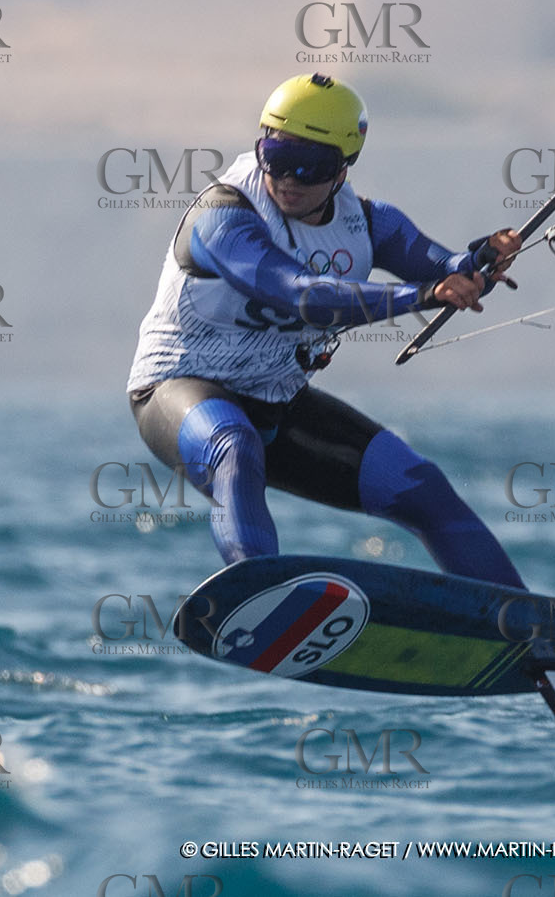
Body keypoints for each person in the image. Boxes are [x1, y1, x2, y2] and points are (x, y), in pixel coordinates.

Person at [127, 72, 526, 589]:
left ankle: (521, 627)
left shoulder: (372, 222)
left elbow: (444, 268)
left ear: (342, 169)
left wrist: (481, 261)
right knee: (233, 446)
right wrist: (424, 296)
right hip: (177, 389)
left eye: (309, 166)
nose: (288, 179)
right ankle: (260, 598)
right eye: (276, 157)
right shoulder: (223, 217)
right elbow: (303, 296)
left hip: (277, 401)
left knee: (421, 486)